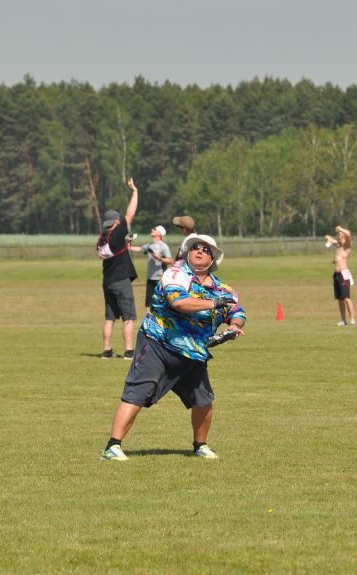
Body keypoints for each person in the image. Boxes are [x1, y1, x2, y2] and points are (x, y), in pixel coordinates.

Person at [101, 233, 247, 461]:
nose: (199, 251)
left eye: (206, 249)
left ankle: (200, 446)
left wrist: (234, 327)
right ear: (188, 253)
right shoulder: (176, 273)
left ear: (213, 259)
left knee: (203, 401)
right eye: (195, 247)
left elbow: (237, 311)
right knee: (137, 393)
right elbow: (179, 302)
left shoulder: (223, 289)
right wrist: (214, 303)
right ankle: (112, 447)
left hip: (193, 352)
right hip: (157, 343)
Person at [98, 178, 139, 359]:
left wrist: (125, 242)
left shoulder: (103, 238)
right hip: (121, 281)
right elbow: (130, 213)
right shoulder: (118, 231)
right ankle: (129, 351)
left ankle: (106, 351)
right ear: (115, 222)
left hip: (108, 281)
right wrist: (134, 191)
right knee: (128, 317)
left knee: (110, 318)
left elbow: (113, 249)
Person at [129, 225, 173, 308]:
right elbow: (139, 249)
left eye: (155, 229)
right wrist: (128, 244)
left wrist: (159, 258)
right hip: (150, 278)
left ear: (159, 234)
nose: (152, 229)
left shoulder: (163, 246)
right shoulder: (150, 245)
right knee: (149, 304)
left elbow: (170, 261)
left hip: (160, 278)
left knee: (160, 303)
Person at [323, 225, 356, 326]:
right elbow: (326, 237)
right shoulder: (337, 245)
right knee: (340, 299)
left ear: (344, 237)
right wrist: (329, 239)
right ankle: (343, 320)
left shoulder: (347, 246)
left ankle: (352, 319)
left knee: (346, 298)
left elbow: (349, 234)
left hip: (343, 274)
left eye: (340, 235)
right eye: (338, 234)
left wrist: (341, 229)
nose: (338, 236)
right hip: (336, 275)